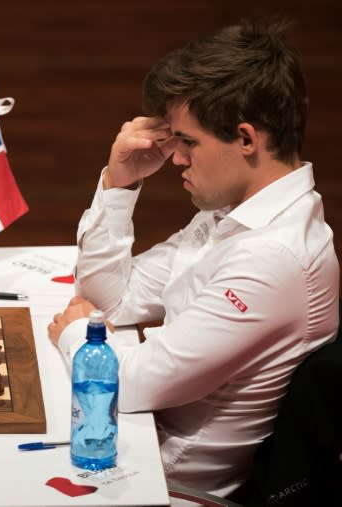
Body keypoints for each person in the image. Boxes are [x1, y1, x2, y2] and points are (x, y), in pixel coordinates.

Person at [47, 20, 340, 500]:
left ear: (246, 138)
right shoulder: (236, 214)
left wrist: (78, 333)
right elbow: (111, 300)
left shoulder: (274, 257)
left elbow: (133, 382)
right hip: (137, 445)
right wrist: (121, 184)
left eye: (188, 141)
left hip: (170, 487)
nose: (176, 159)